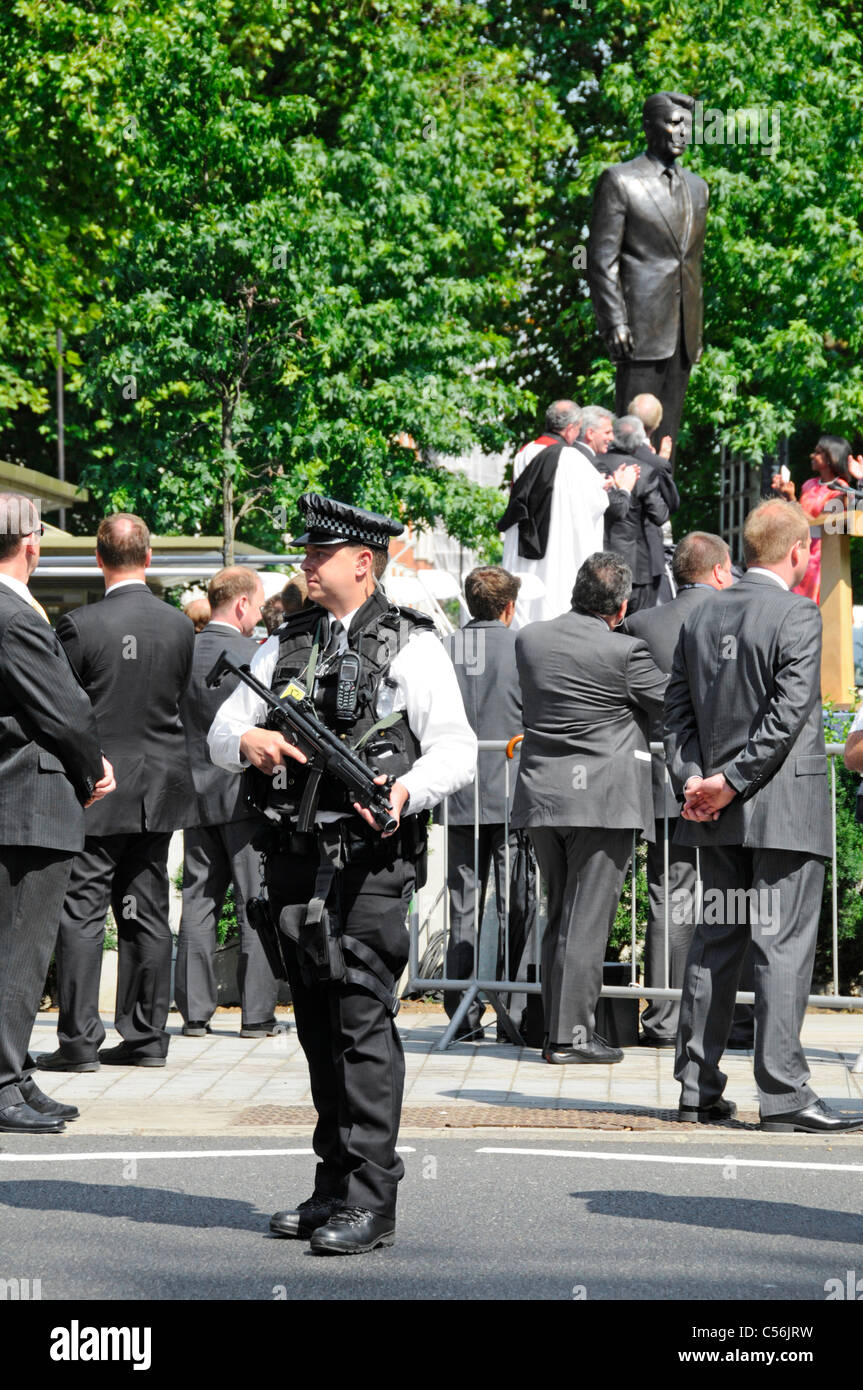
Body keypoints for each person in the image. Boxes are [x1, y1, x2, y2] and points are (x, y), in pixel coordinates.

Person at [208, 493, 476, 1253]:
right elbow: (220, 731)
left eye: (318, 554)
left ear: (361, 562)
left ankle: (371, 1199)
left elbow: (455, 750)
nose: (305, 563)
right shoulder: (284, 644)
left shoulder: (412, 647)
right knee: (318, 1030)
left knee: (361, 1027)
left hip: (367, 868)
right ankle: (332, 1188)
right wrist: (252, 740)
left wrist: (403, 789)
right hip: (294, 863)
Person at [664, 499, 863, 1132]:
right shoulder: (797, 612)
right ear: (800, 552)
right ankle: (783, 1094)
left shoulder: (698, 617)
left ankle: (698, 1086)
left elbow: (678, 713)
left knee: (716, 941)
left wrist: (697, 779)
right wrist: (729, 782)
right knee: (781, 946)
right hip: (782, 810)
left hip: (717, 812)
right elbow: (791, 712)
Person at [37, 514, 195, 1073]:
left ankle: (79, 1042)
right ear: (148, 557)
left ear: (98, 559)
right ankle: (147, 1036)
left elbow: (62, 707)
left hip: (100, 788)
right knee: (147, 912)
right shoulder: (180, 625)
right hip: (162, 787)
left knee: (81, 914)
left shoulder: (80, 625)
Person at [511, 552, 667, 1064]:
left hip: (543, 796)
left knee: (560, 915)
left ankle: (557, 1029)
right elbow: (670, 704)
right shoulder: (624, 652)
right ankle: (569, 1038)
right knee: (586, 922)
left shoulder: (530, 638)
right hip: (601, 801)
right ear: (621, 607)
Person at [0, 495, 115, 1133]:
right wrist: (93, 765)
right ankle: (2, 1081)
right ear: (32, 545)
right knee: (19, 950)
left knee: (18, 947)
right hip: (26, 800)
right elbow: (65, 710)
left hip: (19, 801)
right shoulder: (13, 613)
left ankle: (14, 1073)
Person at [624, 532, 734, 1046]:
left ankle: (665, 1018)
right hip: (735, 780)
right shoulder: (738, 614)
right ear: (717, 571)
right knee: (735, 898)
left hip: (662, 779)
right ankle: (725, 1018)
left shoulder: (643, 623)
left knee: (669, 894)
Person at [175, 566, 281, 1039]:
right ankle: (256, 1015)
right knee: (253, 902)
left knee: (198, 902)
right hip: (244, 798)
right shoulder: (256, 656)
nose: (258, 615)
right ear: (241, 604)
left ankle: (195, 1015)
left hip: (192, 798)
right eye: (257, 605)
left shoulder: (182, 656)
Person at [437, 566, 534, 1042]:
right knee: (515, 903)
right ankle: (513, 1010)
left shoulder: (444, 649)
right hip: (511, 792)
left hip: (458, 793)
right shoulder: (521, 647)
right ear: (508, 606)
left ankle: (462, 1011)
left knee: (463, 905)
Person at [588, 92, 709, 462]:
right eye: (673, 123)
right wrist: (614, 322)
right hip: (639, 328)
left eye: (687, 124)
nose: (681, 132)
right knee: (631, 432)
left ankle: (660, 508)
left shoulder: (697, 187)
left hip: (684, 331)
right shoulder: (620, 180)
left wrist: (697, 327)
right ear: (648, 126)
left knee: (668, 433)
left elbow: (693, 262)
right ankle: (628, 505)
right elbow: (601, 259)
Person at [500, 401, 637, 625]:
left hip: (527, 542)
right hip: (558, 547)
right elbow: (596, 503)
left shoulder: (524, 453)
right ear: (573, 427)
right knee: (555, 601)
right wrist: (613, 488)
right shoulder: (573, 458)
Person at [771, 435, 863, 604]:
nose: (812, 456)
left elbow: (820, 523)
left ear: (831, 457)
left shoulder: (840, 488)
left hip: (823, 557)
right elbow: (797, 516)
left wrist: (792, 499)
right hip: (801, 552)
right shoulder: (808, 484)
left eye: (818, 453)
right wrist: (784, 494)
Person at [597, 415, 672, 614]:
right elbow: (660, 514)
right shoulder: (644, 471)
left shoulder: (594, 464)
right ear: (639, 441)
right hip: (637, 566)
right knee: (637, 625)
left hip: (598, 559)